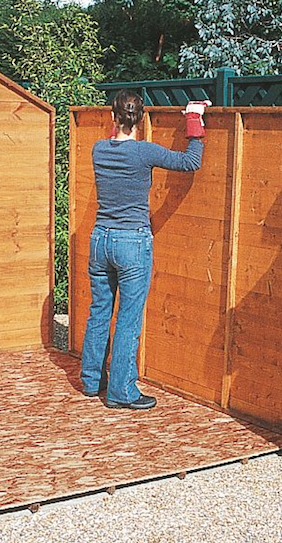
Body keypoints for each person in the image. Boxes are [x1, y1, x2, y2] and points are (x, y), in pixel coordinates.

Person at [80, 91, 207, 409]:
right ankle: (122, 392)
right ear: (141, 120)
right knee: (128, 319)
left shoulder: (99, 150)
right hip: (131, 243)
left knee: (99, 312)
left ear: (113, 117)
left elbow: (115, 140)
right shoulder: (144, 153)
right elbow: (190, 161)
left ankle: (92, 381)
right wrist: (194, 119)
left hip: (101, 240)